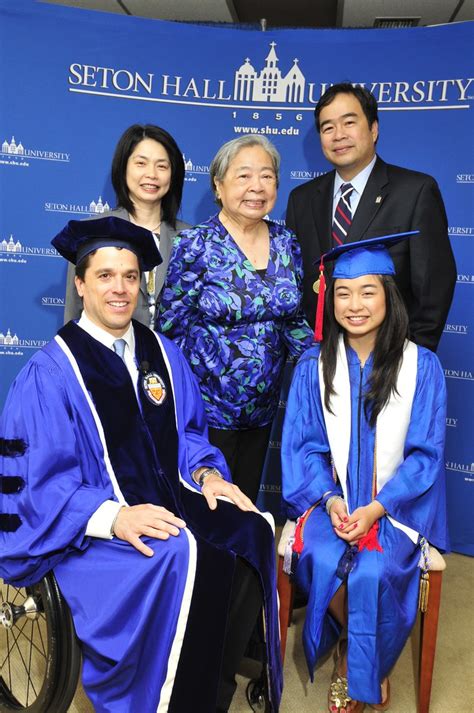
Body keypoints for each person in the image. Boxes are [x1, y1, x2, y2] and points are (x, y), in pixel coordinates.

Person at [0, 216, 282, 713]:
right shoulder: (51, 371)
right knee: (178, 554)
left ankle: (209, 690)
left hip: (172, 495)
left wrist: (208, 474)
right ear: (81, 283)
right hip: (87, 527)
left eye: (130, 276)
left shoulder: (164, 356)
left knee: (252, 529)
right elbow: (40, 482)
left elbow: (190, 435)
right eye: (105, 275)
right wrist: (115, 516)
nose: (120, 289)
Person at [281, 234, 449, 712]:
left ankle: (356, 662)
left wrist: (375, 507)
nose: (354, 305)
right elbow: (303, 448)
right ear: (329, 299)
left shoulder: (422, 367)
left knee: (373, 568)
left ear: (388, 296)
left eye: (367, 291)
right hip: (329, 501)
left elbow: (424, 457)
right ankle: (361, 661)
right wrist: (333, 502)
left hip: (395, 505)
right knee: (322, 555)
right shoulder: (312, 366)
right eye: (343, 292)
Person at [157, 135, 313, 503]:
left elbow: (293, 322)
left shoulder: (287, 242)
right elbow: (170, 328)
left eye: (267, 176)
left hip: (262, 410)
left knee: (245, 509)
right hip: (205, 413)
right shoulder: (195, 244)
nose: (256, 187)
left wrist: (328, 365)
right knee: (207, 513)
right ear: (219, 185)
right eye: (244, 176)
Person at [286, 82, 456, 352]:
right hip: (321, 360)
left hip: (390, 362)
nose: (338, 135)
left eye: (349, 122)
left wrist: (408, 361)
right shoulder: (302, 199)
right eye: (327, 127)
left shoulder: (415, 191)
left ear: (373, 129)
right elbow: (296, 287)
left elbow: (433, 290)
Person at [64, 123, 189, 327]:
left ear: (173, 174)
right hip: (106, 355)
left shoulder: (192, 239)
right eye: (141, 163)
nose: (152, 174)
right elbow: (74, 312)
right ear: (123, 168)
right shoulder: (93, 232)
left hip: (173, 356)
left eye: (162, 166)